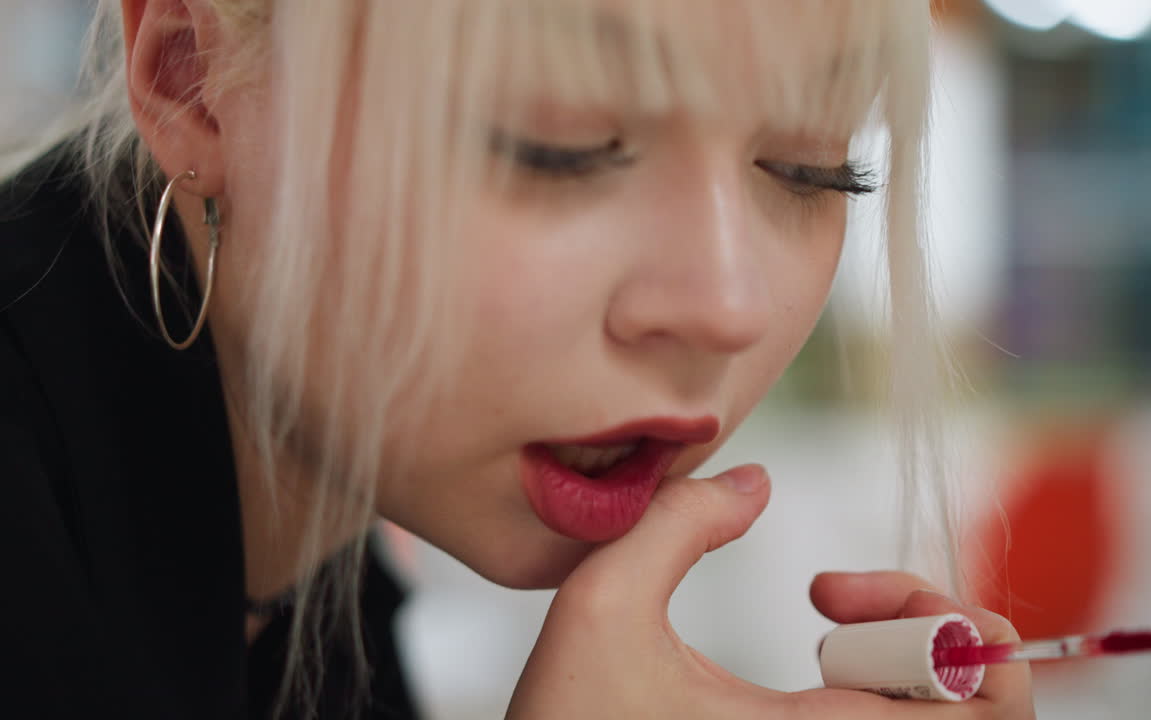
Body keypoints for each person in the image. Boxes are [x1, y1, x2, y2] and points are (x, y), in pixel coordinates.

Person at [0, 0, 1035, 718]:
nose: (725, 306)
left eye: (813, 167)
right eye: (562, 146)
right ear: (191, 79)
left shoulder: (309, 580)